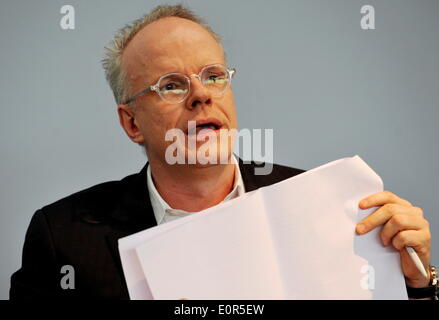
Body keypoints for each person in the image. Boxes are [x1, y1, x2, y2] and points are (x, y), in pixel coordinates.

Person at [10, 4, 436, 300]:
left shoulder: (327, 206)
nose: (200, 96)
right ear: (132, 123)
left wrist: (417, 286)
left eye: (213, 76)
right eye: (171, 85)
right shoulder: (63, 237)